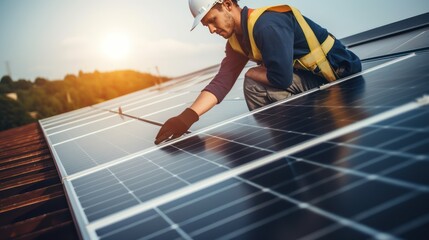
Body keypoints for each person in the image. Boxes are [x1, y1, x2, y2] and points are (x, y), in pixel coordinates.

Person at [154, 0, 361, 145]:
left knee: (253, 82)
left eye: (211, 20)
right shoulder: (236, 41)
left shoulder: (266, 25)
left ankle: (295, 136)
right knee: (254, 82)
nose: (210, 29)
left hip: (340, 75)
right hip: (314, 79)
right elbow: (221, 82)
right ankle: (293, 134)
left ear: (227, 4)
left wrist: (252, 73)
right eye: (205, 24)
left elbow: (281, 78)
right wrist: (186, 118)